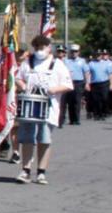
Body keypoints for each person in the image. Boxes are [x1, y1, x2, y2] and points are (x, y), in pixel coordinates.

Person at [14, 35, 72, 185]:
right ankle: (25, 170)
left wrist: (53, 89)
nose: (39, 51)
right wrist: (24, 86)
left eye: (42, 47)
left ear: (48, 47)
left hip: (48, 107)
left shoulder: (57, 64)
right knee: (27, 139)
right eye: (37, 48)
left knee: (44, 140)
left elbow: (68, 85)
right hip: (30, 107)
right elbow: (18, 78)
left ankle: (41, 171)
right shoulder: (28, 62)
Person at [62, 44, 87, 125]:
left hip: (78, 83)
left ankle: (76, 119)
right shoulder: (67, 61)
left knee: (77, 101)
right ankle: (71, 119)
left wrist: (87, 83)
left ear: (78, 52)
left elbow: (86, 72)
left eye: (76, 51)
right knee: (70, 101)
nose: (74, 53)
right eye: (72, 51)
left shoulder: (82, 61)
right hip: (69, 83)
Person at [86, 49, 112, 121]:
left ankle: (103, 113)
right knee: (96, 100)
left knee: (104, 98)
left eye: (100, 55)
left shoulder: (106, 64)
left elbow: (110, 74)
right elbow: (88, 74)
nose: (98, 56)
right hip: (94, 84)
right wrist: (87, 83)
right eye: (97, 55)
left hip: (104, 83)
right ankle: (97, 114)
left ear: (101, 55)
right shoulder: (91, 63)